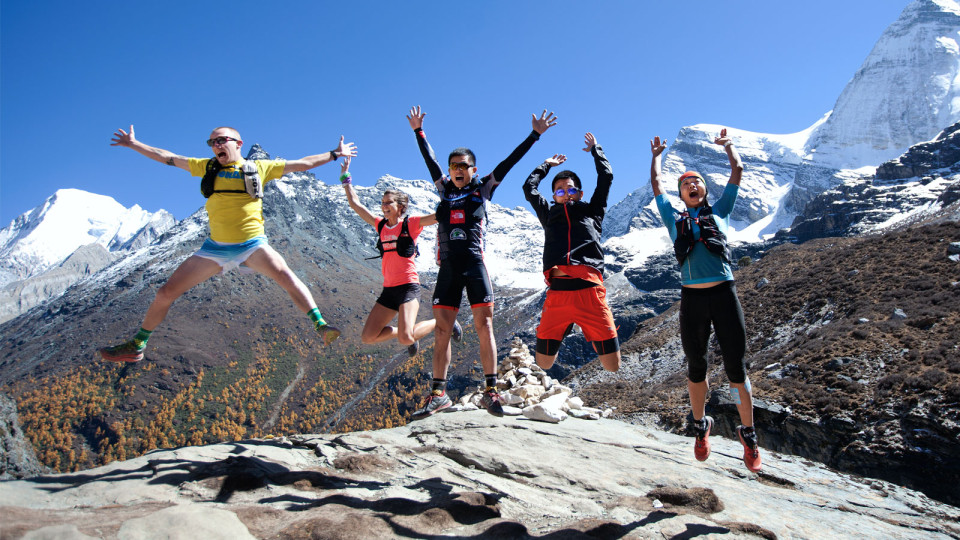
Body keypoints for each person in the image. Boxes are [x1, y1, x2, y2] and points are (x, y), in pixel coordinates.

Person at [99, 125, 356, 363]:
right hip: (215, 249)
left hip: (252, 244)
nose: (216, 145)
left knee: (285, 275)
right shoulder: (206, 167)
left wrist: (335, 154)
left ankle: (321, 325)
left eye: (221, 140)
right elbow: (168, 157)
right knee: (165, 293)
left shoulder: (259, 168)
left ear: (238, 143)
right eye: (212, 142)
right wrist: (134, 144)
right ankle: (138, 344)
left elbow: (303, 164)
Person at [405, 105, 557, 418]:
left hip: (474, 265)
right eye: (454, 166)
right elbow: (430, 160)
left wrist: (534, 136)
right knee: (442, 331)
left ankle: (490, 392)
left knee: (484, 326)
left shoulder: (483, 187)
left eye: (464, 165)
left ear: (474, 170)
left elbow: (509, 162)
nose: (458, 170)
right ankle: (438, 395)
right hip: (448, 268)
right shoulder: (444, 189)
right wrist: (419, 131)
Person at [649, 128, 761, 473]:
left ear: (705, 189)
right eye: (686, 184)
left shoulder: (721, 211)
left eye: (696, 181)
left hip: (724, 294)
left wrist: (729, 146)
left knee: (735, 368)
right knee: (696, 366)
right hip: (693, 300)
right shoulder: (673, 219)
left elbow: (737, 171)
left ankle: (748, 434)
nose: (692, 185)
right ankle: (701, 427)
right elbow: (656, 184)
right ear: (681, 194)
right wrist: (656, 157)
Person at [338, 156, 462, 358]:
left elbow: (437, 217)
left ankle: (443, 321)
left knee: (406, 339)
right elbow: (355, 204)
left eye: (389, 202)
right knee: (368, 336)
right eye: (382, 203)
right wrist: (346, 178)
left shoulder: (410, 224)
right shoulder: (380, 225)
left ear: (400, 207)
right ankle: (407, 333)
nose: (384, 206)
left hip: (408, 288)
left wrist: (454, 199)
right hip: (389, 290)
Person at [522, 132, 621, 373]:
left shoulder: (593, 211)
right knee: (543, 363)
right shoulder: (548, 215)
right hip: (558, 295)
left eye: (571, 190)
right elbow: (529, 187)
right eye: (559, 191)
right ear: (554, 197)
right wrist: (546, 165)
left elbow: (606, 176)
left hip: (591, 294)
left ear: (580, 194)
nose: (566, 194)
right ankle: (565, 326)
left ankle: (585, 328)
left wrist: (596, 150)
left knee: (612, 366)